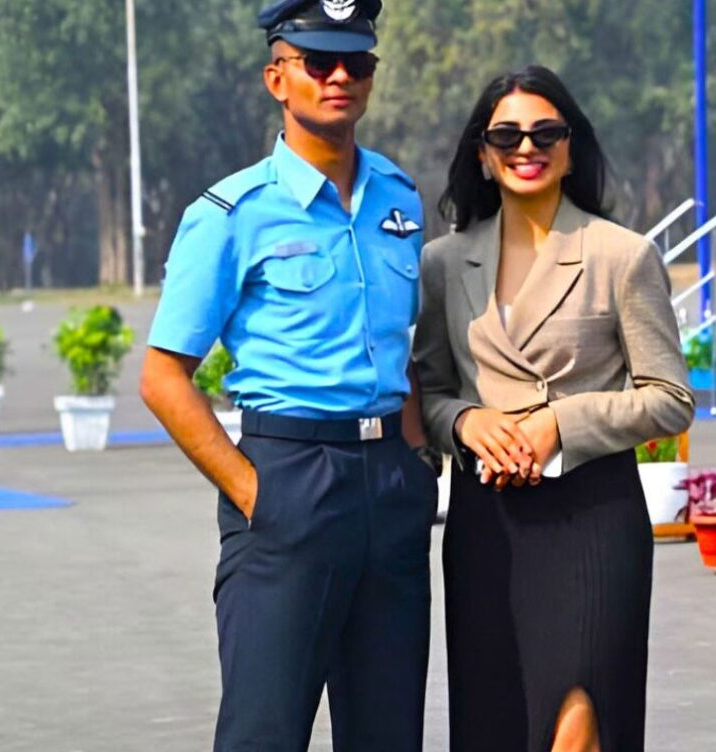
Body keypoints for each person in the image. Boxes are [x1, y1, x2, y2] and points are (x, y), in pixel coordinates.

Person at [139, 2, 438, 750]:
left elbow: (404, 349)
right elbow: (163, 374)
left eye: (357, 62)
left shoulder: (399, 200)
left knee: (387, 732)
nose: (340, 76)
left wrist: (417, 462)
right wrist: (252, 491)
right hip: (289, 482)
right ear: (278, 77)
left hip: (390, 489)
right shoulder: (233, 213)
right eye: (318, 62)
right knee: (264, 733)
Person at [413, 65, 696, 752]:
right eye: (506, 134)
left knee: (579, 727)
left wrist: (558, 426)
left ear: (571, 147)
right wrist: (469, 424)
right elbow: (428, 392)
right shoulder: (443, 264)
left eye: (546, 132)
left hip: (592, 522)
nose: (526, 147)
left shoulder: (621, 256)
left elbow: (670, 399)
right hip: (489, 529)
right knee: (494, 722)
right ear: (482, 152)